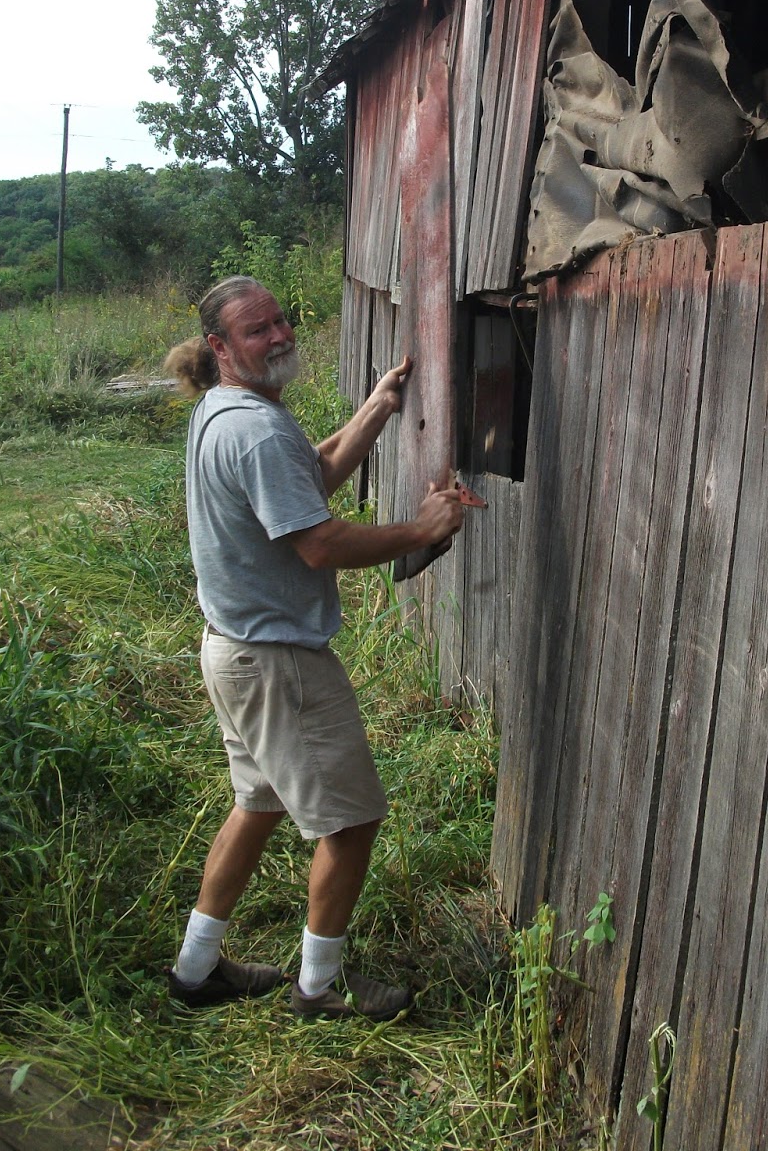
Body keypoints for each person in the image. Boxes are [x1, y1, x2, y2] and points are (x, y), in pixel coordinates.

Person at [161, 274, 464, 1019]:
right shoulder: (255, 428)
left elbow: (310, 479)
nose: (279, 336)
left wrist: (374, 410)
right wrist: (421, 530)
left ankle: (196, 970)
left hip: (232, 653)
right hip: (278, 667)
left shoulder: (223, 411)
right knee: (351, 822)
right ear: (219, 346)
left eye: (280, 321)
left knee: (257, 804)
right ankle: (318, 990)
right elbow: (319, 543)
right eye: (257, 330)